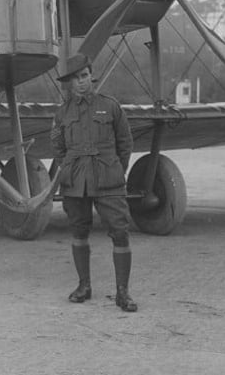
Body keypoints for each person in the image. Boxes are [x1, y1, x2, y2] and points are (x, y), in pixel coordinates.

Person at [50, 52, 138, 312]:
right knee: (78, 231)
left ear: (91, 76)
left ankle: (123, 293)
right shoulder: (62, 113)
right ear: (69, 83)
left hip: (108, 179)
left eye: (84, 76)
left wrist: (116, 169)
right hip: (76, 181)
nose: (81, 82)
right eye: (75, 78)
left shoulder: (110, 106)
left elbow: (125, 142)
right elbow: (58, 146)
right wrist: (70, 167)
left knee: (120, 231)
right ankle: (84, 286)